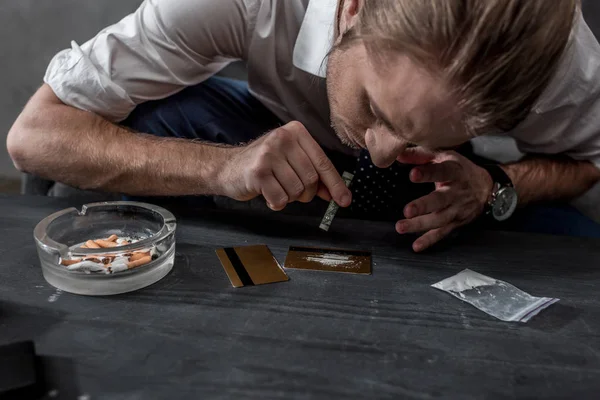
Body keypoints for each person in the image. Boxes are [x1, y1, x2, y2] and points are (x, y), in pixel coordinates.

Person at [7, 0, 600, 252]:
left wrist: (497, 184)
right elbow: (34, 136)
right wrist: (222, 166)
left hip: (448, 186)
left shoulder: (559, 59)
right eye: (375, 111)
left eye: (423, 134)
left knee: (574, 243)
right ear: (352, 9)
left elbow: (589, 161)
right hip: (264, 127)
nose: (385, 153)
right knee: (153, 117)